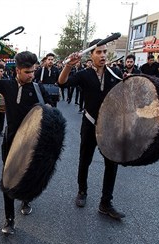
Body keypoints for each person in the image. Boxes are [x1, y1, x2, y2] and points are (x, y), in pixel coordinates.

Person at [0, 45, 54, 235]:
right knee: (8, 178)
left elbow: (51, 109)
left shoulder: (37, 88)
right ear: (17, 70)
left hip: (31, 143)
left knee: (27, 175)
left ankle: (26, 199)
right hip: (10, 140)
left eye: (34, 71)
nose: (31, 75)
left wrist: (49, 109)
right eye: (27, 72)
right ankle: (9, 219)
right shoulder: (6, 85)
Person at [58, 39, 125, 220]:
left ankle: (106, 202)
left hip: (110, 127)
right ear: (91, 55)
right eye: (98, 52)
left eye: (104, 52)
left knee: (112, 164)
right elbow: (62, 83)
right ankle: (82, 191)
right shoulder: (84, 74)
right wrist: (69, 66)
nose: (102, 55)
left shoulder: (115, 73)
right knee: (85, 159)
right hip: (89, 123)